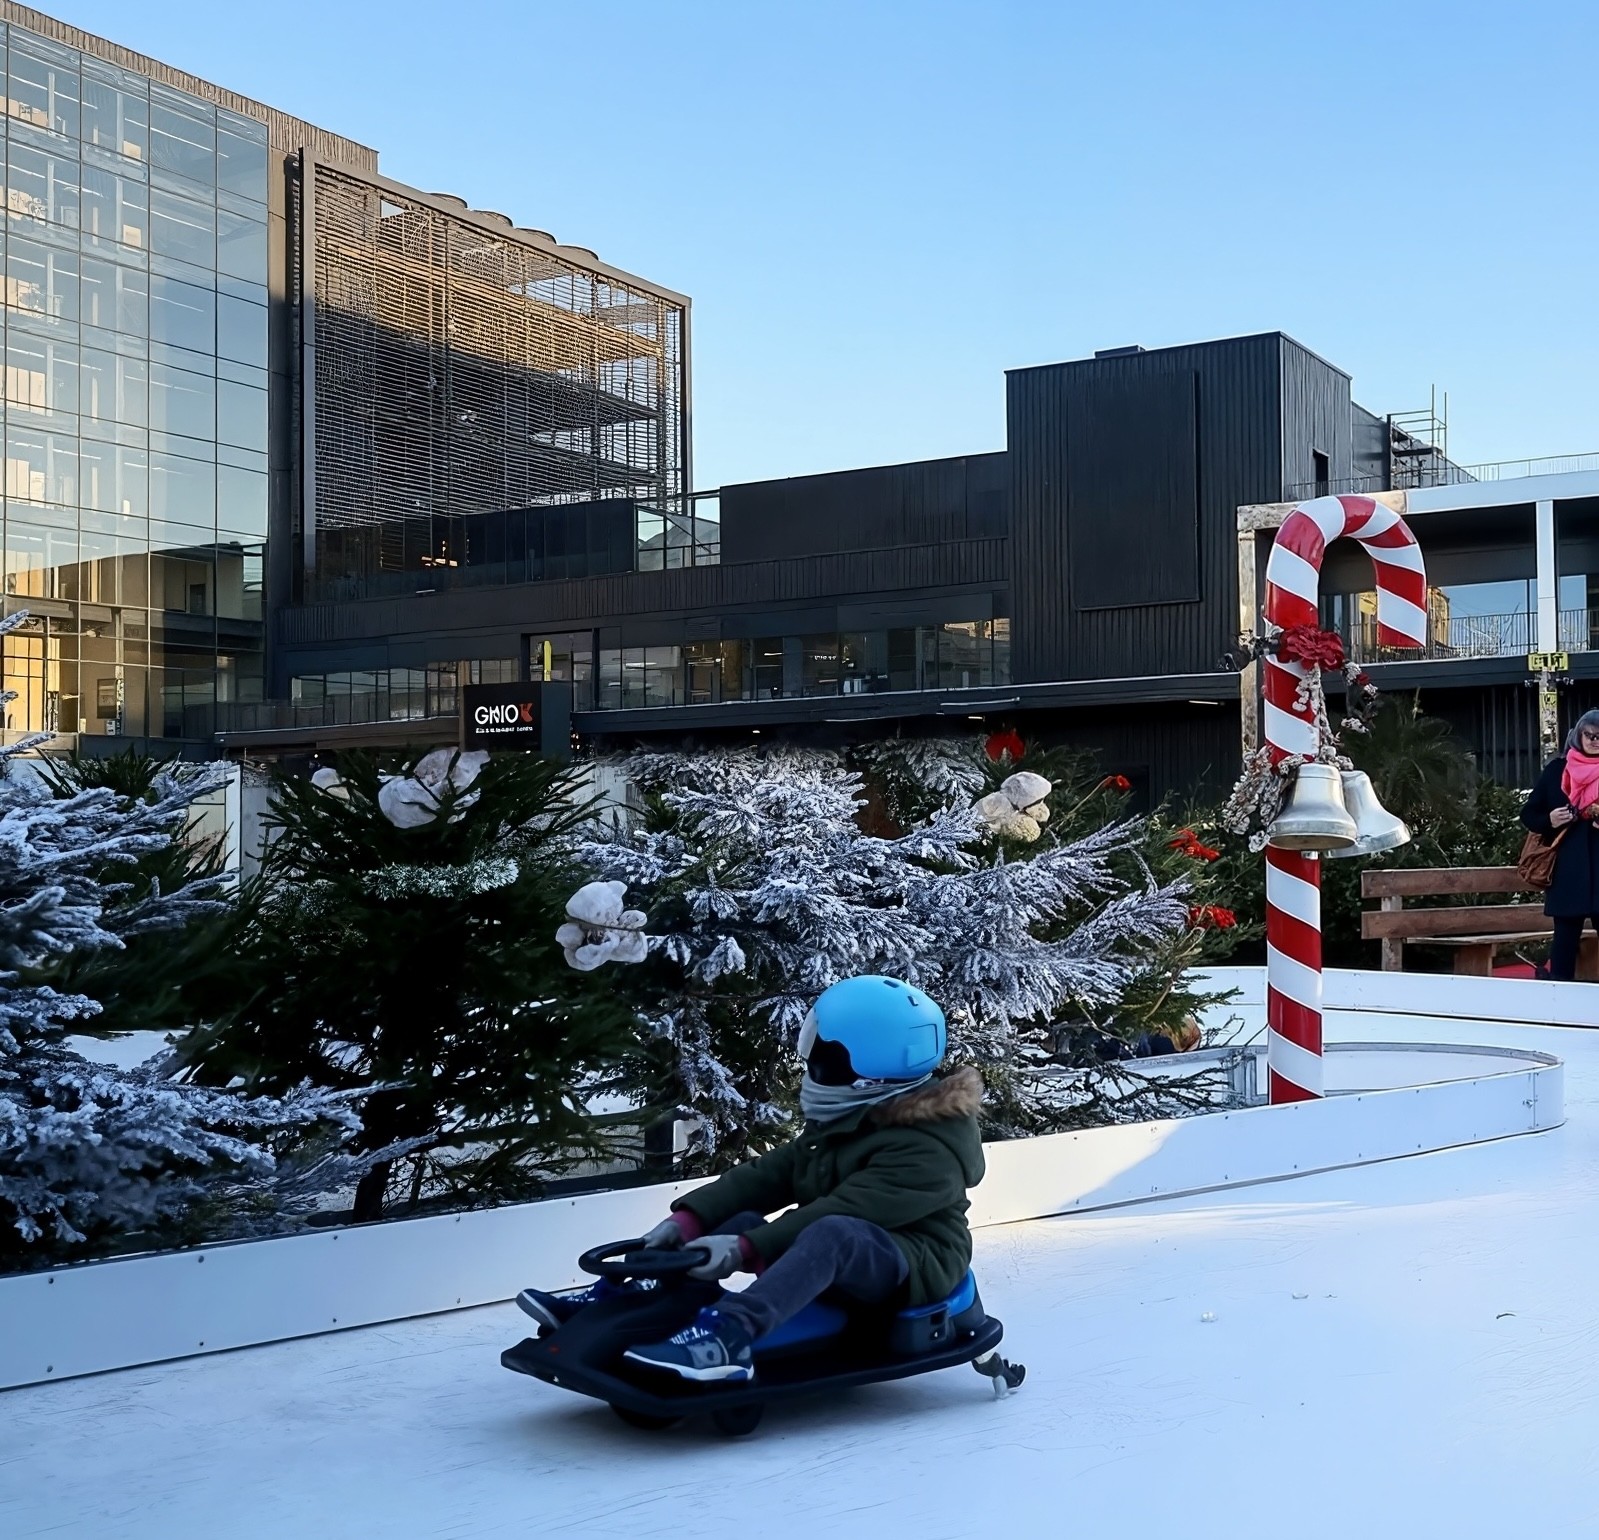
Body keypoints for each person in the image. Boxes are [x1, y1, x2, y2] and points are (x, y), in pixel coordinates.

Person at [518, 975, 985, 1384]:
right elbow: (774, 1172)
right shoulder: (860, 1113)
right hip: (849, 1240)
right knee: (740, 1217)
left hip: (915, 1262)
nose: (811, 1061)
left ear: (865, 1072)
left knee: (831, 1233)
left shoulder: (926, 1149)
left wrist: (746, 1249)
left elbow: (847, 1212)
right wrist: (690, 1221)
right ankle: (634, 1295)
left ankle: (730, 1338)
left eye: (824, 1054)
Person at [1521, 708, 1599, 981]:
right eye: (1588, 734)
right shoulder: (1557, 770)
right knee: (1565, 938)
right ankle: (1559, 999)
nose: (1594, 741)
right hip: (1568, 869)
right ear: (1577, 736)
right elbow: (1529, 815)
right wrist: (1551, 819)